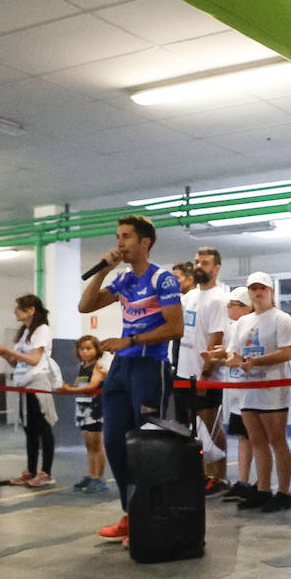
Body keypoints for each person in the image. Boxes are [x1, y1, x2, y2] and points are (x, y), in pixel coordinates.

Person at [77, 214, 184, 540]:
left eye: (126, 237)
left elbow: (175, 327)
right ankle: (131, 514)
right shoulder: (123, 279)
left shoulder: (162, 279)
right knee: (115, 443)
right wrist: (104, 270)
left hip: (149, 367)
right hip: (122, 369)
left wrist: (131, 340)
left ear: (145, 243)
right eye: (118, 236)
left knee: (147, 447)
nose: (119, 243)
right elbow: (85, 306)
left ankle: (152, 517)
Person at [230, 272, 291, 513]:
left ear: (270, 291)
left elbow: (287, 352)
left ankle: (284, 492)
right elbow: (233, 353)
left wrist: (255, 362)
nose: (258, 292)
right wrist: (220, 357)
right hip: (250, 388)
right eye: (253, 288)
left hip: (273, 387)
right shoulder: (242, 322)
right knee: (257, 441)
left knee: (277, 440)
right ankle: (263, 489)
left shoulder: (281, 319)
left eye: (262, 288)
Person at [175, 247, 230, 494]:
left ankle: (218, 477)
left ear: (216, 268)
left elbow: (216, 339)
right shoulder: (188, 298)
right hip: (184, 375)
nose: (199, 266)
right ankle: (199, 474)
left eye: (205, 263)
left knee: (211, 427)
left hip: (206, 377)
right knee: (192, 429)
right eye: (197, 262)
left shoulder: (219, 299)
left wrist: (206, 374)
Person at [0, 294, 57, 487]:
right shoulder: (25, 332)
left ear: (31, 310)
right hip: (24, 384)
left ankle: (46, 472)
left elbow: (35, 360)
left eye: (18, 307)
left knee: (43, 428)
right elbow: (16, 361)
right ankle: (31, 470)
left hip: (37, 385)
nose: (14, 311)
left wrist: (8, 351)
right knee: (30, 429)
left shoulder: (42, 330)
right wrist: (2, 352)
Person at [208, 287, 257, 504]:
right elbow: (230, 353)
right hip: (239, 393)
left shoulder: (255, 326)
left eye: (233, 305)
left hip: (256, 393)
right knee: (243, 437)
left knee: (260, 439)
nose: (228, 308)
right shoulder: (233, 327)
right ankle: (243, 481)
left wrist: (226, 356)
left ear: (246, 307)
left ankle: (262, 484)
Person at [56, 335, 107, 492]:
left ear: (96, 350)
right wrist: (69, 388)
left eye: (89, 348)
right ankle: (91, 475)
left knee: (96, 444)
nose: (85, 352)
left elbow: (91, 386)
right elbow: (81, 386)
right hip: (82, 408)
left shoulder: (98, 368)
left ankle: (99, 479)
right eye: (82, 348)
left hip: (95, 409)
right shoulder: (82, 366)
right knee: (89, 445)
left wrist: (69, 389)